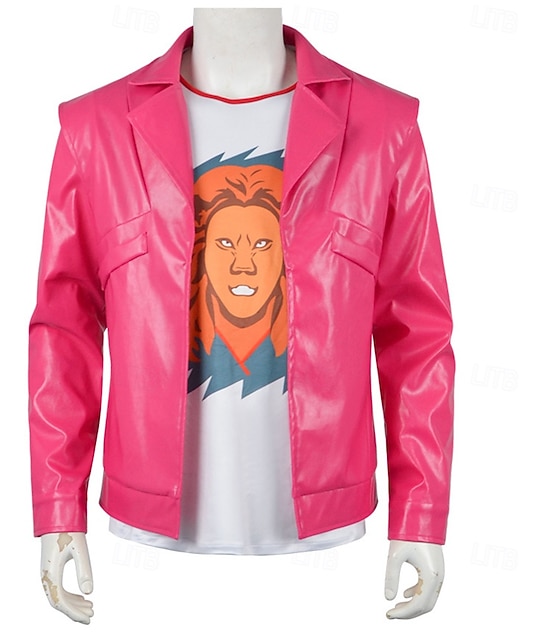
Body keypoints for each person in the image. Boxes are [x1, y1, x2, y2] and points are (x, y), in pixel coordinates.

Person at [30, 8, 454, 623]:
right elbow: (63, 331)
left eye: (259, 245)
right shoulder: (95, 129)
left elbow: (416, 337)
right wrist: (57, 507)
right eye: (225, 245)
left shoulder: (385, 125)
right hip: (142, 566)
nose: (245, 265)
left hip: (333, 564)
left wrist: (420, 513)